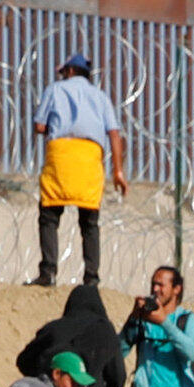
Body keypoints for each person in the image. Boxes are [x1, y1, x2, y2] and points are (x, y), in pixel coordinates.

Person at [28, 53, 125, 289]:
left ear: (70, 71)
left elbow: (39, 125)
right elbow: (114, 134)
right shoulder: (100, 96)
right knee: (89, 221)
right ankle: (91, 277)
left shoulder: (56, 89)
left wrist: (56, 125)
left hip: (61, 154)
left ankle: (48, 272)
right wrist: (118, 171)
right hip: (89, 158)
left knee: (49, 215)